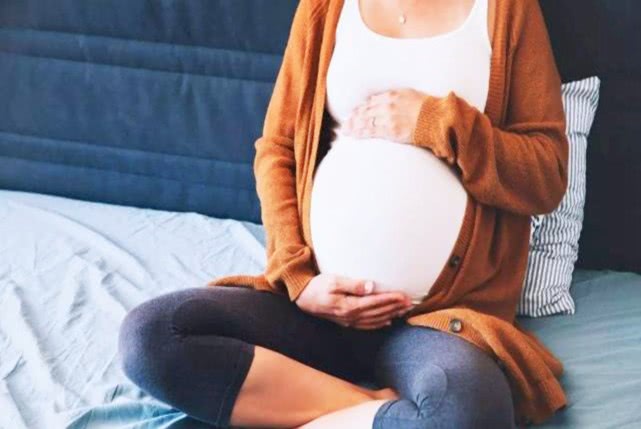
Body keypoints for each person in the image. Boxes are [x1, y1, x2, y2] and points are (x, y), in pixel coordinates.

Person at [118, 0, 569, 428]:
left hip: (436, 322)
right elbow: (277, 150)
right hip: (316, 309)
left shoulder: (506, 10)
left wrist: (435, 122)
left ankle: (294, 408)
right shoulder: (326, 7)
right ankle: (372, 409)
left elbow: (546, 175)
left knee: (470, 413)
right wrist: (299, 281)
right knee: (153, 338)